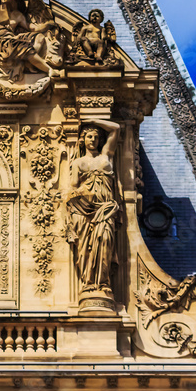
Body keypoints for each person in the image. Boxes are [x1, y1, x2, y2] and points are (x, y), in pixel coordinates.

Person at [65, 120, 122, 295]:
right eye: (89, 136)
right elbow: (73, 188)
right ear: (83, 139)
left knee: (104, 241)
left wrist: (94, 120)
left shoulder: (106, 156)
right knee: (85, 248)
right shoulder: (78, 163)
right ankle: (89, 281)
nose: (93, 140)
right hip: (84, 210)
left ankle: (103, 282)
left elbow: (116, 129)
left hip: (105, 209)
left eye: (96, 137)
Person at [0, 0, 59, 79]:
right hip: (0, 41)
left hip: (11, 39)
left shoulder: (18, 15)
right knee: (24, 47)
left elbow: (33, 28)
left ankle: (29, 62)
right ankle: (48, 69)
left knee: (39, 37)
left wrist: (49, 24)